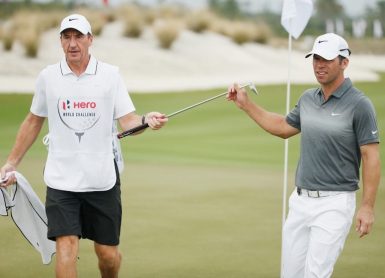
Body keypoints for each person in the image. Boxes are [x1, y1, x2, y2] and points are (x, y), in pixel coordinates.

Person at [0, 14, 168, 278]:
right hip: (61, 180)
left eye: (78, 36)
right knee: (66, 248)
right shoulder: (48, 77)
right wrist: (11, 162)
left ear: (90, 39)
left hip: (102, 180)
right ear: (60, 42)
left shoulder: (111, 75)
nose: (72, 43)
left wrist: (146, 120)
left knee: (108, 256)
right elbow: (33, 120)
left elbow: (129, 121)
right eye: (66, 37)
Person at [226, 33, 380, 277]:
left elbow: (371, 156)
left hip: (335, 203)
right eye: (316, 58)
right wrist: (246, 105)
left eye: (327, 59)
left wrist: (367, 208)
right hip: (300, 202)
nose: (319, 65)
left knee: (316, 274)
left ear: (344, 62)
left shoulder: (359, 104)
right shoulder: (308, 98)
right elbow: (283, 127)